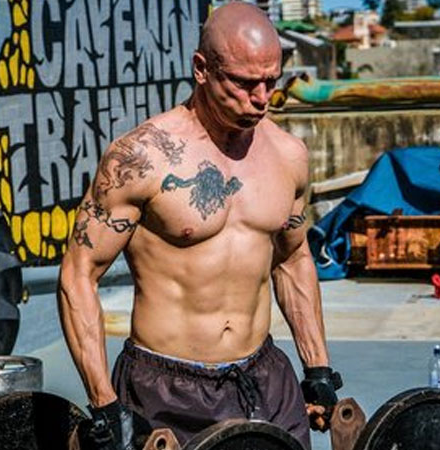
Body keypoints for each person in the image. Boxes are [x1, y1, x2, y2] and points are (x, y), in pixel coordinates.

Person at [58, 3, 343, 449]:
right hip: (168, 389)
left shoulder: (288, 155)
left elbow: (292, 258)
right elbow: (78, 274)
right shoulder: (142, 158)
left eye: (272, 81)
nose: (262, 98)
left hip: (265, 377)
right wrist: (104, 402)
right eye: (246, 83)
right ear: (201, 69)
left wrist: (318, 368)